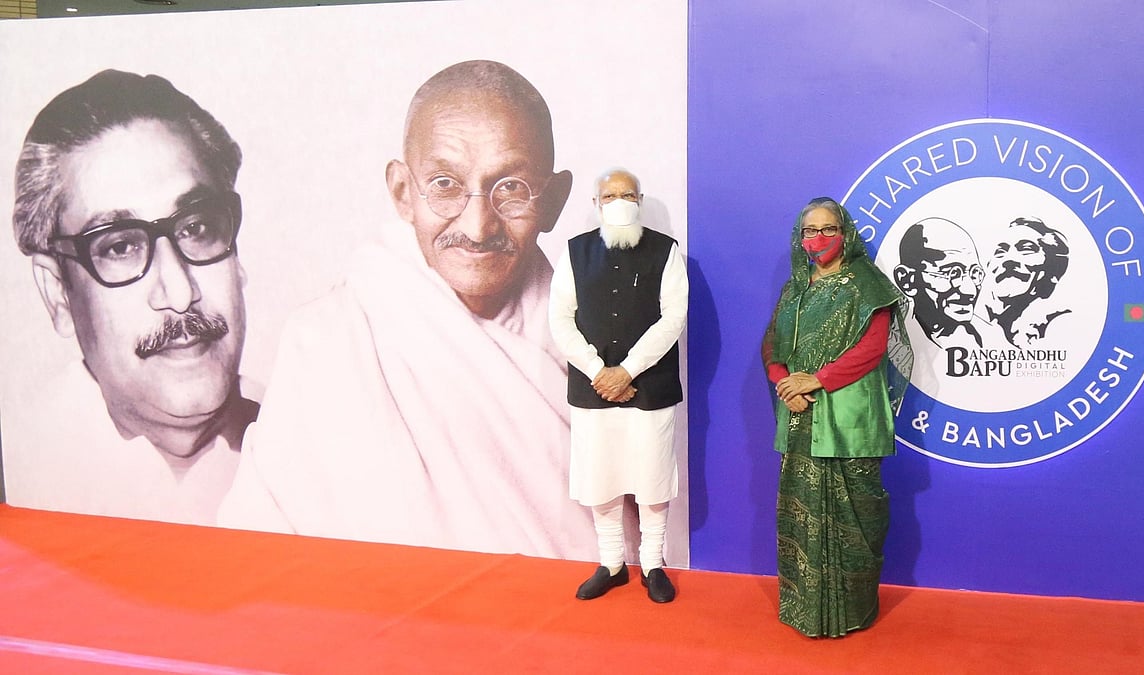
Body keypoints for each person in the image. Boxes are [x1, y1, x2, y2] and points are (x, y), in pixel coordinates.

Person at [218, 60, 596, 559]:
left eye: (511, 188)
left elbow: (653, 533)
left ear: (554, 200)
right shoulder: (328, 341)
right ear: (402, 192)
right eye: (444, 184)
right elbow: (257, 543)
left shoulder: (600, 337)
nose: (479, 226)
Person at [6, 69, 257, 525]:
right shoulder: (22, 478)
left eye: (197, 227)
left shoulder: (323, 443)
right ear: (58, 294)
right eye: (120, 246)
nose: (180, 293)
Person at [761, 197, 911, 637]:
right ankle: (805, 609)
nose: (820, 238)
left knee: (857, 517)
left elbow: (873, 347)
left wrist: (817, 380)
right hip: (800, 417)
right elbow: (772, 344)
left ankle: (854, 611)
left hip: (850, 418)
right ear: (799, 237)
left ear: (845, 233)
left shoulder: (867, 283)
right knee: (799, 512)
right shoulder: (795, 289)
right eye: (811, 230)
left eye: (829, 229)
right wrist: (784, 383)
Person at [548, 168, 688, 603]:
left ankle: (652, 563)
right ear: (596, 204)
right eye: (611, 195)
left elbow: (673, 317)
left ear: (640, 199)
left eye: (628, 194)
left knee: (652, 474)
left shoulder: (665, 251)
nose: (620, 201)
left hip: (650, 384)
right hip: (593, 387)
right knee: (599, 473)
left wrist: (627, 370)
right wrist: (599, 371)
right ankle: (611, 562)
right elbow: (560, 319)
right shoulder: (575, 252)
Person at [892, 217, 994, 349]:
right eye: (953, 273)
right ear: (907, 280)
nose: (970, 291)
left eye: (975, 274)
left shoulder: (993, 337)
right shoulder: (892, 344)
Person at [982, 217, 1071, 348]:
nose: (1009, 259)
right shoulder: (976, 327)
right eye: (1000, 252)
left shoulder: (1060, 324)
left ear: (1053, 267)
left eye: (1026, 249)